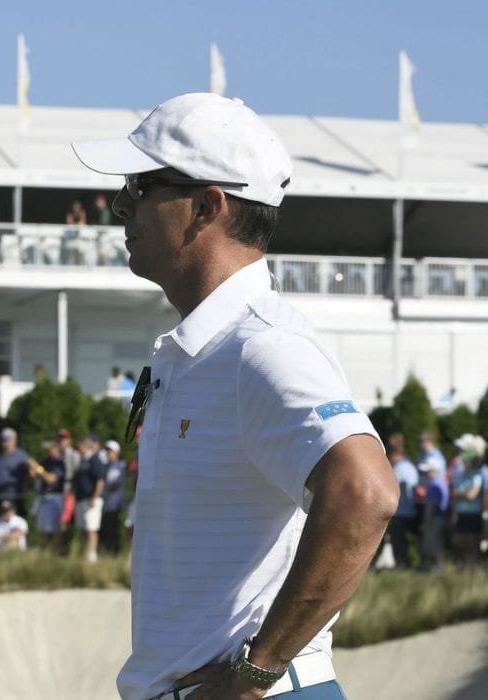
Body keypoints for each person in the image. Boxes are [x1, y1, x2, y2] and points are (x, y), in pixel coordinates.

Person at [73, 92, 397, 699]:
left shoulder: (261, 346)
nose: (120, 205)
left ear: (207, 206)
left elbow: (365, 491)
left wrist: (256, 672)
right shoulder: (208, 347)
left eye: (140, 185)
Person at [0, 427, 43, 518]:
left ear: (15, 440)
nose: (5, 442)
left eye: (8, 439)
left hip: (15, 497)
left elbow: (36, 467)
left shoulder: (21, 455)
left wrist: (41, 473)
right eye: (3, 440)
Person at [449, 434, 484, 568]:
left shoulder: (477, 475)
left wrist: (460, 493)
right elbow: (455, 494)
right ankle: (467, 566)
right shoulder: (460, 475)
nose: (466, 462)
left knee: (473, 541)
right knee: (462, 541)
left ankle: (474, 566)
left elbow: (471, 495)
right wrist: (462, 494)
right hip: (462, 513)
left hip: (473, 513)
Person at [386, 436, 420, 568]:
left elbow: (391, 487)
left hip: (401, 511)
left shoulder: (399, 468)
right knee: (408, 540)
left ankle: (401, 565)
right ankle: (408, 562)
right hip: (411, 509)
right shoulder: (410, 466)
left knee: (399, 541)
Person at [73, 435, 108, 563]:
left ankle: (92, 557)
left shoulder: (94, 459)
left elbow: (100, 480)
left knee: (91, 529)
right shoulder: (83, 460)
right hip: (82, 499)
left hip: (91, 499)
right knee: (83, 529)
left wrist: (94, 497)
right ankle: (85, 555)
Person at [32, 439, 67, 553]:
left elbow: (51, 479)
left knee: (57, 528)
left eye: (49, 449)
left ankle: (59, 551)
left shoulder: (60, 462)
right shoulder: (46, 461)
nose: (47, 451)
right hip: (44, 497)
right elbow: (34, 474)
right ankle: (45, 551)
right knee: (44, 529)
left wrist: (38, 469)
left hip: (55, 497)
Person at [100, 439, 127, 556]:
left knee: (113, 529)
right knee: (106, 529)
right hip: (106, 503)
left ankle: (115, 553)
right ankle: (108, 552)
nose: (108, 454)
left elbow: (116, 484)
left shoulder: (121, 465)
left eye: (110, 451)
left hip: (116, 503)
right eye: (107, 451)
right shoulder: (106, 467)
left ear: (116, 452)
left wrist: (105, 489)